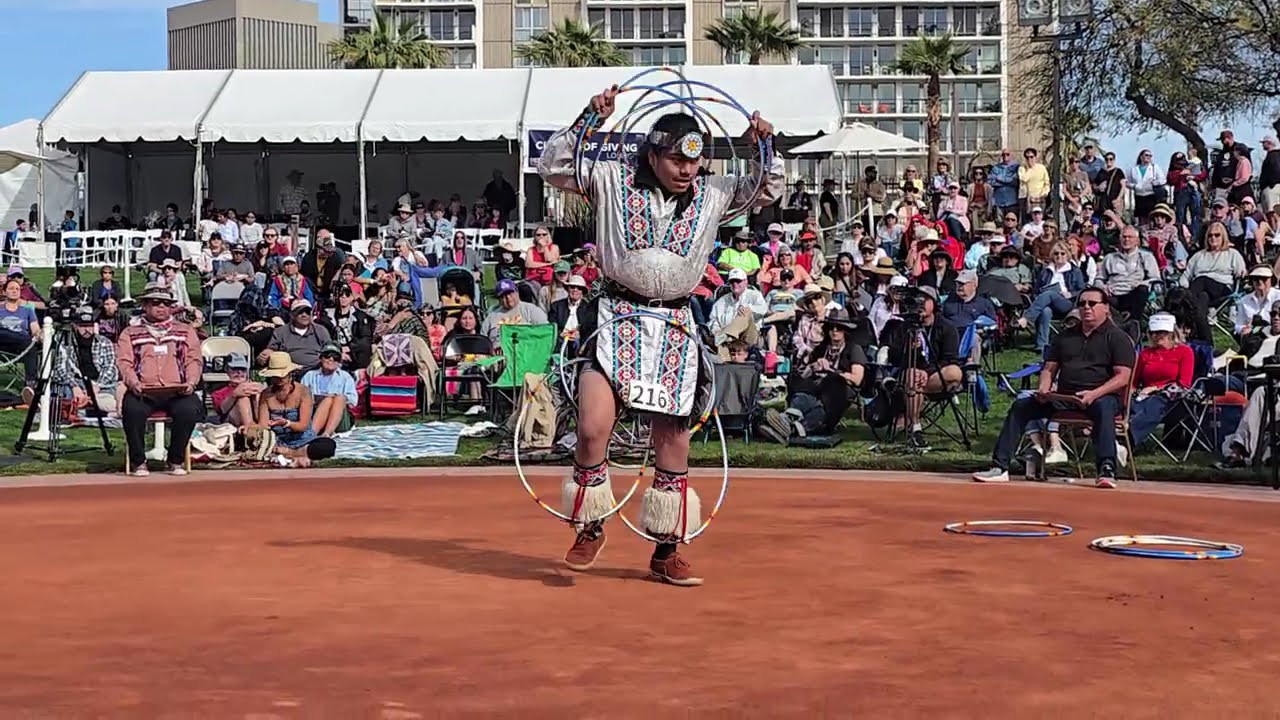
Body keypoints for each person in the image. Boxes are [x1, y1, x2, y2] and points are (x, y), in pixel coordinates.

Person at [536, 84, 782, 585]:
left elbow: (764, 189)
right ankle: (590, 523)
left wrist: (761, 145)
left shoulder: (713, 196)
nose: (687, 170)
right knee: (591, 425)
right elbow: (553, 165)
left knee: (672, 439)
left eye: (693, 162)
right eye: (675, 160)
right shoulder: (610, 178)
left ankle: (667, 549)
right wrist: (591, 117)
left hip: (674, 325)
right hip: (615, 317)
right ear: (653, 154)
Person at [973, 287, 1135, 487]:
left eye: (1092, 303)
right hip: (1066, 397)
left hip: (1102, 396)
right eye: (1082, 303)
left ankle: (1107, 469)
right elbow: (1049, 368)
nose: (1086, 308)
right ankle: (1000, 467)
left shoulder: (1117, 337)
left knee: (1104, 407)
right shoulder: (1065, 336)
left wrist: (1094, 394)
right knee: (1022, 405)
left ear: (1106, 308)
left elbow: (1122, 377)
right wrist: (1044, 389)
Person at [116, 284, 204, 477]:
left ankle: (175, 459)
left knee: (190, 409)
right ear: (145, 306)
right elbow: (124, 362)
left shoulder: (185, 331)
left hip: (177, 390)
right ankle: (139, 462)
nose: (161, 307)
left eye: (166, 303)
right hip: (143, 390)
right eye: (156, 303)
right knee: (132, 410)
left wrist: (191, 382)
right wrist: (133, 382)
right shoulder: (130, 333)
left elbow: (193, 360)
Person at [879, 287, 963, 448]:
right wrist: (910, 348)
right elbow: (896, 358)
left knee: (955, 371)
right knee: (912, 375)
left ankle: (911, 418)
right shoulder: (904, 327)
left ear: (934, 303)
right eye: (917, 300)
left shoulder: (946, 327)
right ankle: (915, 427)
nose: (920, 304)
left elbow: (950, 359)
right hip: (911, 376)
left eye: (925, 300)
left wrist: (928, 372)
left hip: (937, 375)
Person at [251, 352, 336, 467]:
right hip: (278, 442)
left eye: (283, 375)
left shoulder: (303, 391)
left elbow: (303, 425)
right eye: (276, 376)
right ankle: (291, 454)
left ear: (290, 374)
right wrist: (250, 428)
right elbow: (263, 425)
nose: (279, 379)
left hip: (303, 440)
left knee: (327, 445)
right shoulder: (266, 395)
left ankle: (292, 453)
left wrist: (286, 423)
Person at [1128, 313, 1195, 450]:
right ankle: (1120, 440)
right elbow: (1133, 382)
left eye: (1162, 332)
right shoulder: (1146, 353)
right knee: (1129, 403)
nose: (1157, 336)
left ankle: (1127, 441)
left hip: (1174, 399)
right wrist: (1132, 392)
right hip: (1144, 397)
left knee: (1156, 402)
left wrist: (1156, 388)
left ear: (1172, 333)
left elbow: (1184, 383)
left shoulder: (1184, 352)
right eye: (1153, 332)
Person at [53, 306, 120, 416]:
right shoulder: (65, 342)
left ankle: (86, 407)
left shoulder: (105, 342)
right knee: (65, 392)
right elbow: (60, 369)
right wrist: (75, 386)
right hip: (76, 383)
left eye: (90, 326)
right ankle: (85, 407)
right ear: (75, 326)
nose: (87, 330)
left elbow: (110, 368)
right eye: (83, 326)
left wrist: (96, 386)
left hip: (100, 385)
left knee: (111, 401)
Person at [301, 343, 358, 437]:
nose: (331, 359)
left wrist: (335, 398)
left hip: (340, 419)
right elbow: (301, 397)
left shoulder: (345, 377)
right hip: (313, 414)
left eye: (335, 357)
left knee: (339, 398)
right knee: (328, 400)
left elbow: (353, 401)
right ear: (321, 358)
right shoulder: (309, 375)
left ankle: (326, 433)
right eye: (327, 356)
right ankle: (313, 433)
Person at [1, 277, 42, 401]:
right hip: (2, 344)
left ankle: (30, 386)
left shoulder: (27, 311)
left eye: (17, 289)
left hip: (21, 346)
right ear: (4, 292)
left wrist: (39, 335)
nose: (15, 291)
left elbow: (35, 329)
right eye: (11, 288)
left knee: (31, 345)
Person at [262, 298, 332, 370]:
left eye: (307, 312)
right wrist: (267, 352)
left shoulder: (320, 330)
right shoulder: (281, 332)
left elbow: (330, 350)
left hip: (317, 370)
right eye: (300, 312)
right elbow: (271, 349)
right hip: (290, 371)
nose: (304, 315)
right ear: (292, 315)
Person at [481, 279, 548, 346]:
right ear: (499, 299)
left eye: (510, 293)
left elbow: (546, 331)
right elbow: (483, 339)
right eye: (503, 296)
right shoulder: (492, 317)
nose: (508, 297)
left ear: (517, 293)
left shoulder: (531, 310)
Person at [210, 352, 263, 426]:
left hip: (257, 418)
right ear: (226, 369)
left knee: (257, 394)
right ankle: (250, 429)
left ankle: (261, 426)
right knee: (243, 399)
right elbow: (222, 410)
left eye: (243, 369)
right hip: (232, 422)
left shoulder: (254, 386)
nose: (239, 372)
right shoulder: (219, 393)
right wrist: (234, 395)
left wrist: (261, 392)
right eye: (235, 368)